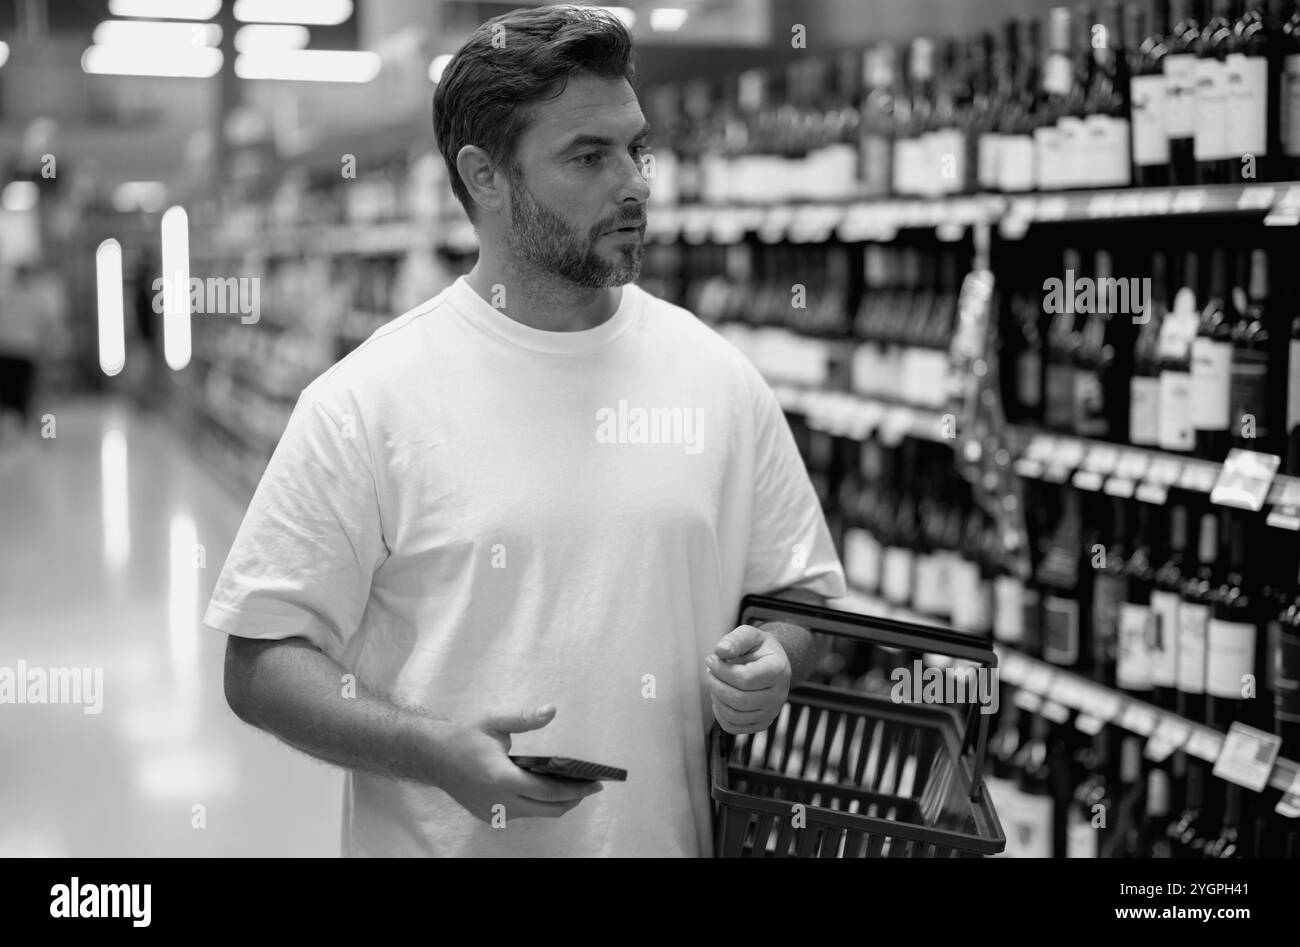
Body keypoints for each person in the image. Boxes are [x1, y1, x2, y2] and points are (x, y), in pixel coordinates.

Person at [207, 4, 846, 857]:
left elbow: (803, 593)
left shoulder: (716, 377)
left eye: (635, 147)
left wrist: (778, 657)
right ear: (486, 177)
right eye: (589, 156)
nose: (636, 183)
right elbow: (260, 662)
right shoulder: (367, 402)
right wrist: (428, 748)